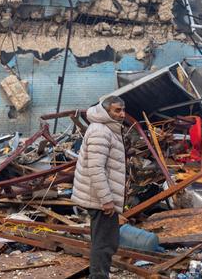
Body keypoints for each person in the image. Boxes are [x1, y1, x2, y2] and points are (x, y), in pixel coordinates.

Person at [71, 96, 127, 279]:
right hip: (99, 199)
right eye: (117, 111)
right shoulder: (100, 132)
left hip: (99, 198)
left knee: (104, 242)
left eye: (123, 110)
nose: (122, 114)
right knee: (104, 244)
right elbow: (95, 169)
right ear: (106, 111)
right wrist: (107, 200)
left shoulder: (107, 129)